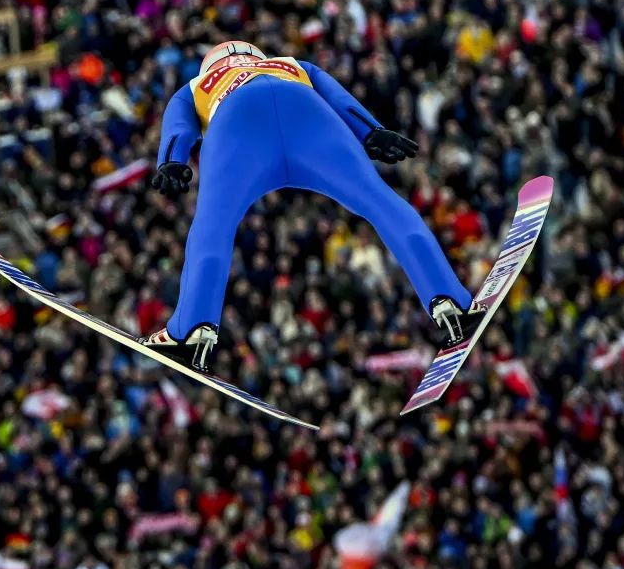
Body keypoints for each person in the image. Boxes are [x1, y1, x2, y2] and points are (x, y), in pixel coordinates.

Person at [142, 41, 477, 373]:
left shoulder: (197, 85)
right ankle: (449, 298)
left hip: (236, 120)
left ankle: (191, 329)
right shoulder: (292, 63)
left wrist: (170, 161)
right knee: (381, 201)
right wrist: (371, 131)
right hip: (305, 112)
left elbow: (178, 126)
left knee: (212, 227)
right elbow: (340, 99)